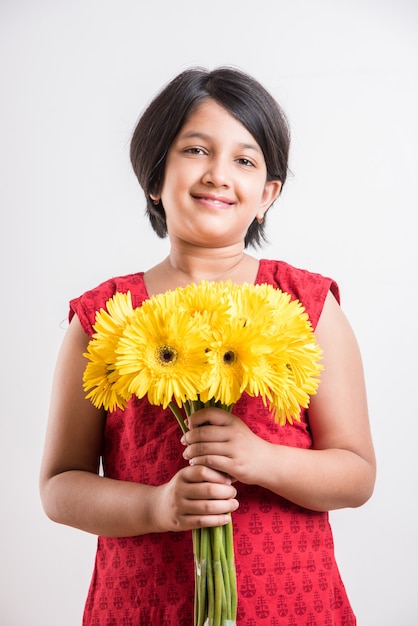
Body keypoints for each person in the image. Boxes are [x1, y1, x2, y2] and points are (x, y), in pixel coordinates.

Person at [40, 67, 376, 626]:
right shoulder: (104, 318)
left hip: (288, 604)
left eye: (244, 160)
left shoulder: (307, 306)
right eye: (196, 150)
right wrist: (157, 506)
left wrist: (261, 459)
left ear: (267, 194)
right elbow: (59, 486)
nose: (219, 174)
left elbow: (356, 473)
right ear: (155, 177)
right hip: (145, 604)